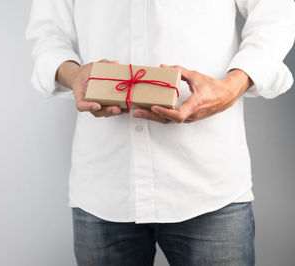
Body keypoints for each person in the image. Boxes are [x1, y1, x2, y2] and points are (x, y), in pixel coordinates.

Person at [25, 0, 295, 265]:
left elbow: (276, 14)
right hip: (104, 185)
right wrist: (73, 76)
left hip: (208, 184)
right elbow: (48, 35)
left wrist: (232, 86)